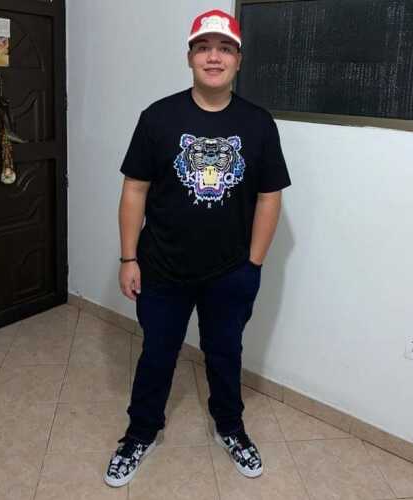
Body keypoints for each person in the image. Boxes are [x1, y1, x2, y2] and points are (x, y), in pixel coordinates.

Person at [105, 9, 291, 488]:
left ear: (238, 60)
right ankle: (140, 432)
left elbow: (270, 196)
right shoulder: (158, 117)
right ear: (189, 57)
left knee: (225, 354)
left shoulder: (258, 123)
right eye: (204, 47)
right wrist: (128, 257)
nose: (214, 57)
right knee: (157, 354)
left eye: (225, 48)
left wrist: (253, 264)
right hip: (161, 267)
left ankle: (231, 428)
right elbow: (135, 189)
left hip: (230, 270)